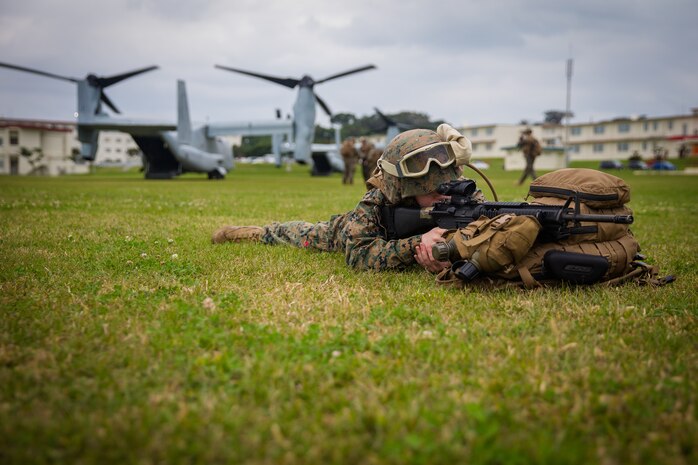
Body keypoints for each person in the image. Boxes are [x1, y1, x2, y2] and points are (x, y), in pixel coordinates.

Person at [211, 125, 473, 273]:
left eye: (448, 187)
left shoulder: (465, 196)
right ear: (404, 189)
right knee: (300, 233)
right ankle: (257, 233)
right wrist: (418, 244)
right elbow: (358, 256)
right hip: (342, 232)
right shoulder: (375, 203)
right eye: (433, 193)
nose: (445, 196)